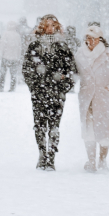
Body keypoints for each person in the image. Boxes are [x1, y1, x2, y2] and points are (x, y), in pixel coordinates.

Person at [22, 14, 76, 171]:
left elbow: (72, 70)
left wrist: (63, 84)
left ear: (57, 26)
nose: (50, 28)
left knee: (54, 126)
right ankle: (41, 153)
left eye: (53, 25)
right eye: (47, 25)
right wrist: (34, 85)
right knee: (39, 125)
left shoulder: (63, 47)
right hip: (39, 93)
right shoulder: (34, 46)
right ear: (42, 27)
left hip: (57, 94)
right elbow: (26, 69)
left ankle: (51, 157)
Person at [74, 24, 109, 172]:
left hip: (104, 99)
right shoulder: (79, 55)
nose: (90, 41)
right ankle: (91, 161)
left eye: (94, 39)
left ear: (100, 39)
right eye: (88, 38)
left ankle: (102, 160)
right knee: (89, 131)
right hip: (86, 98)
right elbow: (74, 74)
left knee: (104, 131)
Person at [0, 21, 23, 92]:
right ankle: (12, 88)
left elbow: (2, 45)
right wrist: (18, 56)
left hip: (5, 57)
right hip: (14, 58)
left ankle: (1, 87)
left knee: (2, 73)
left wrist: (0, 54)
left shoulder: (5, 34)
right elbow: (19, 47)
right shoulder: (17, 35)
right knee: (13, 74)